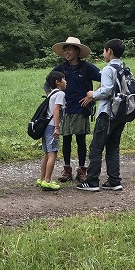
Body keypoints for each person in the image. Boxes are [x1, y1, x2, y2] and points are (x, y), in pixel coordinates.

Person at [77, 39, 128, 192]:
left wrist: (93, 94)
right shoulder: (124, 68)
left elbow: (106, 90)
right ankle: (114, 180)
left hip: (107, 113)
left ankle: (92, 181)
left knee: (96, 147)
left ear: (110, 51)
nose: (103, 53)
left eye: (104, 50)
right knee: (113, 147)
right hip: (121, 113)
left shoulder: (108, 69)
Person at [51, 37, 102, 183]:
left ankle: (82, 170)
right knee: (66, 139)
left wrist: (92, 97)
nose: (66, 52)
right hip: (65, 109)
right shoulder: (61, 68)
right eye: (65, 49)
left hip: (81, 109)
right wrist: (53, 97)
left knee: (80, 140)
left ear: (77, 51)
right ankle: (67, 170)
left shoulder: (87, 67)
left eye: (69, 49)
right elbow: (48, 83)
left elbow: (105, 79)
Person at [37, 71, 67, 191]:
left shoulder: (51, 94)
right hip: (52, 127)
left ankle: (42, 178)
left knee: (46, 153)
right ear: (58, 82)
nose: (66, 82)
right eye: (64, 79)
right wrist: (57, 127)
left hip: (45, 127)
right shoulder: (60, 94)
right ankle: (48, 181)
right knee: (52, 153)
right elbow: (56, 110)